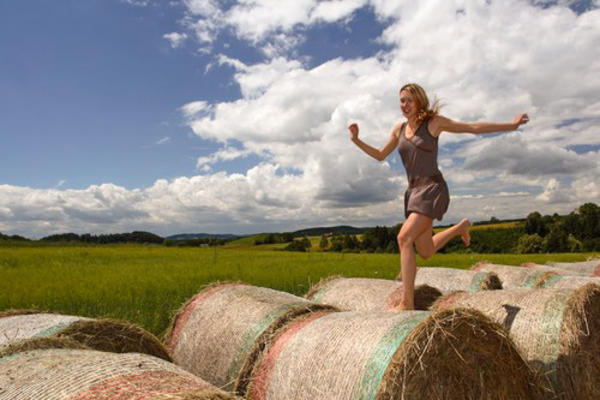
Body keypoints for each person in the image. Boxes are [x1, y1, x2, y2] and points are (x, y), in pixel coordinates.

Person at [349, 83, 529, 310]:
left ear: (419, 101)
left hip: (433, 189)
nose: (404, 105)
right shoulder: (399, 129)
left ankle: (407, 303)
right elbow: (379, 155)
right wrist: (356, 140)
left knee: (404, 238)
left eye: (409, 100)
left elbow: (472, 127)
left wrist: (511, 125)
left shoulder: (434, 124)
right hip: (414, 192)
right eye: (401, 100)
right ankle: (460, 227)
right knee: (425, 251)